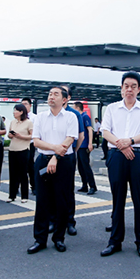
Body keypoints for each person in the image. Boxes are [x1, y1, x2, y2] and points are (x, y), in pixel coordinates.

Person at [100, 71, 140, 259]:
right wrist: (121, 145)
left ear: (139, 89)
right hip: (116, 155)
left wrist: (129, 141)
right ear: (121, 88)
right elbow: (105, 131)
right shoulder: (112, 108)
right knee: (118, 199)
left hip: (138, 156)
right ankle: (115, 241)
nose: (129, 89)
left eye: (133, 86)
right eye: (126, 86)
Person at [27, 87, 78, 254]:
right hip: (43, 160)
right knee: (42, 201)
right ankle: (40, 239)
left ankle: (59, 238)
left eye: (56, 94)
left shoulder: (71, 117)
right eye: (50, 94)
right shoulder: (41, 117)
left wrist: (56, 156)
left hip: (64, 161)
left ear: (64, 100)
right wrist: (54, 149)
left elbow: (70, 139)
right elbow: (36, 141)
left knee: (61, 201)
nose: (51, 97)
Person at [59, 84, 84, 236]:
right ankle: (54, 220)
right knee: (51, 190)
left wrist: (73, 151)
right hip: (50, 156)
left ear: (67, 98)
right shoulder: (48, 113)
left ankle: (70, 221)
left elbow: (80, 136)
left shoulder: (74, 114)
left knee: (68, 189)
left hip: (67, 156)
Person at [7, 103, 33, 203]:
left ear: (21, 112)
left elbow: (32, 136)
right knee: (12, 173)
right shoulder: (13, 122)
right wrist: (10, 135)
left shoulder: (28, 122)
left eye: (16, 111)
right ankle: (12, 195)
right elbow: (9, 134)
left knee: (23, 173)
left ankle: (24, 196)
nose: (14, 112)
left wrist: (21, 136)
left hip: (23, 150)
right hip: (12, 149)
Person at [74, 101, 97, 195]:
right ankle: (84, 185)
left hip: (84, 146)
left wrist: (90, 143)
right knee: (80, 166)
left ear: (78, 108)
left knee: (86, 166)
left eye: (74, 107)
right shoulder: (78, 117)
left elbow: (89, 130)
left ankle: (92, 186)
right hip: (79, 146)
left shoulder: (85, 116)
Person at [21, 98, 37, 194]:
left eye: (26, 104)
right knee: (20, 166)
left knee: (30, 165)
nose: (24, 106)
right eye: (22, 104)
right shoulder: (19, 117)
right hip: (20, 144)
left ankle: (34, 186)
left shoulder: (34, 117)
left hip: (30, 144)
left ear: (30, 105)